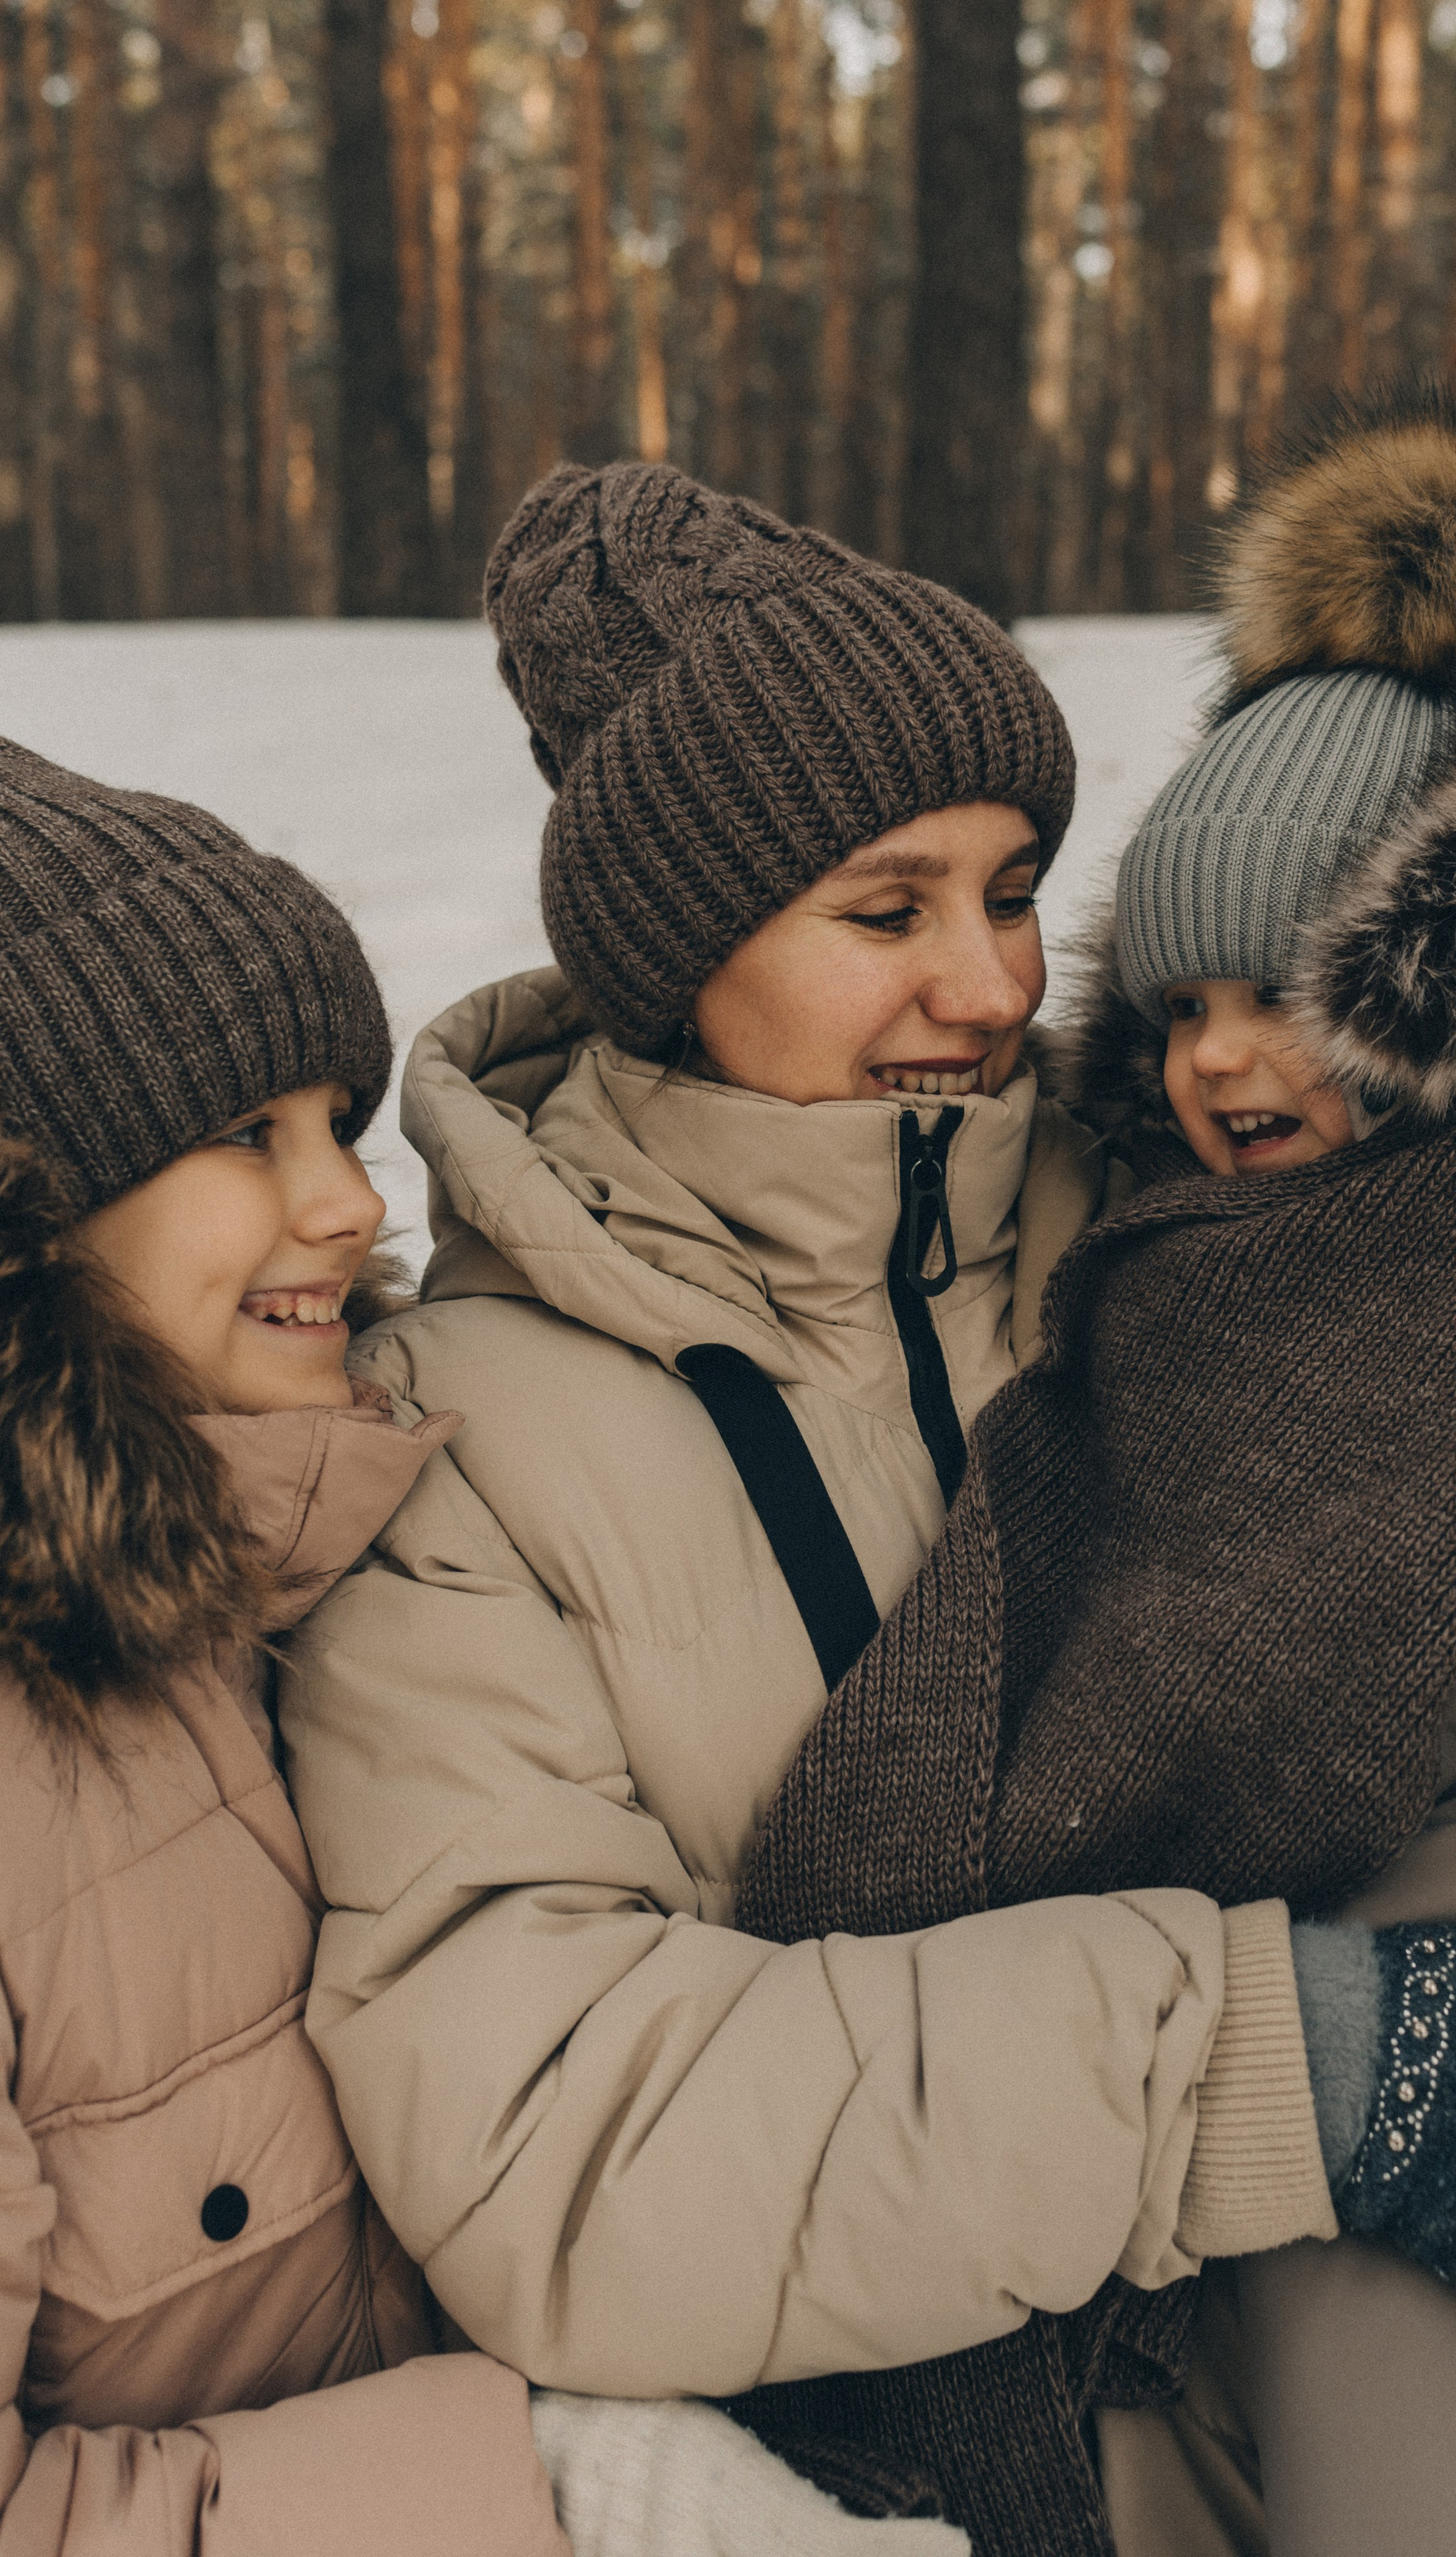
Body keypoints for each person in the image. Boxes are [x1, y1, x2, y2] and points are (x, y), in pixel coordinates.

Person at [280, 446, 1456, 2557]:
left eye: (1019, 888)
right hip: (974, 2469)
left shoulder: (1190, 1215)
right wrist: (1318, 2066)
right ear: (678, 955)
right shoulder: (459, 1449)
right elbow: (556, 2149)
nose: (994, 986)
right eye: (887, 912)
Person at [0, 738, 967, 2557]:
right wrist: (557, 2487)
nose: (356, 1207)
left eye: (338, 1127)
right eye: (243, 1137)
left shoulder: (287, 1564)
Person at [1055, 392, 1456, 2557]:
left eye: (1279, 995)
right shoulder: (1175, 1263)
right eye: (1173, 1009)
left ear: (1441, 976)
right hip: (1301, 2012)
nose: (1216, 1062)